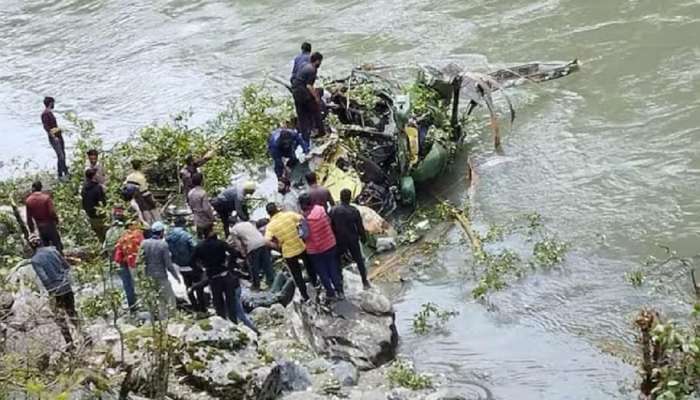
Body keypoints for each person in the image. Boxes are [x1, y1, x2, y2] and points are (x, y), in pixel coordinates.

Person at [191, 224, 257, 332]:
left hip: (213, 278)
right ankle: (234, 326)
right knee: (231, 302)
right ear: (210, 232)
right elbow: (234, 253)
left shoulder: (199, 247)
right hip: (225, 275)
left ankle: (222, 326)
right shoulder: (220, 243)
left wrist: (202, 268)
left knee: (218, 304)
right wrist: (229, 263)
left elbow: (191, 262)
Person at [28, 233, 79, 349]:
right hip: (66, 286)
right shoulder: (53, 250)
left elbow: (44, 278)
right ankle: (84, 336)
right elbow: (66, 266)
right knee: (72, 312)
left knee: (59, 317)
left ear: (31, 247)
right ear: (41, 241)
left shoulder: (35, 260)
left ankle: (70, 343)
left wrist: (51, 293)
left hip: (55, 291)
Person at [264, 203, 317, 302]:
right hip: (300, 245)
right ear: (277, 209)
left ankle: (305, 295)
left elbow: (266, 241)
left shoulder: (270, 226)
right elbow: (301, 218)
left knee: (297, 275)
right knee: (309, 266)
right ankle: (315, 284)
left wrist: (277, 246)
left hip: (288, 252)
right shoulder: (289, 214)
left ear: (269, 214)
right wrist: (301, 232)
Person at [299, 194, 343, 301]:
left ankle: (330, 292)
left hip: (315, 250)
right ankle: (339, 290)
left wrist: (299, 231)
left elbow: (305, 235)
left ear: (302, 205)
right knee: (333, 267)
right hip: (329, 243)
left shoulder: (304, 219)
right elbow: (328, 221)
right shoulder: (321, 209)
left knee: (322, 271)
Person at [330, 188, 370, 289]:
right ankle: (365, 282)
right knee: (359, 260)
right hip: (352, 238)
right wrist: (364, 238)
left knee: (337, 261)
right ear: (350, 198)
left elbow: (330, 225)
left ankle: (340, 283)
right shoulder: (354, 210)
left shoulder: (333, 210)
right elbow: (360, 227)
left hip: (339, 240)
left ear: (340, 197)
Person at [166, 216, 207, 313]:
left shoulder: (168, 237)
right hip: (192, 265)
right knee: (198, 286)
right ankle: (202, 308)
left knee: (187, 286)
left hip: (180, 266)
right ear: (183, 224)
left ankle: (194, 306)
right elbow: (194, 247)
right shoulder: (186, 235)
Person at [141, 221, 180, 318]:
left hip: (149, 276)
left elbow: (139, 260)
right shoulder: (163, 245)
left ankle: (160, 318)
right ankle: (173, 318)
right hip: (161, 276)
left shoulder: (144, 243)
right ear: (161, 232)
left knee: (157, 299)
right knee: (170, 298)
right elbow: (168, 265)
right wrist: (176, 277)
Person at [230, 219, 275, 291]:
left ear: (231, 225)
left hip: (252, 246)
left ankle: (256, 285)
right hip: (262, 241)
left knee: (254, 267)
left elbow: (238, 244)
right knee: (267, 264)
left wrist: (243, 253)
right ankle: (272, 282)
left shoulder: (233, 230)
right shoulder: (247, 223)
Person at [291, 52, 325, 143]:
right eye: (320, 61)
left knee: (302, 116)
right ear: (317, 61)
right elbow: (309, 86)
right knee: (316, 110)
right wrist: (316, 98)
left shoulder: (305, 65)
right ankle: (321, 131)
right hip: (303, 94)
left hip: (296, 93)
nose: (320, 64)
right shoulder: (312, 69)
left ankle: (304, 138)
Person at [113, 217, 144, 311]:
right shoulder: (138, 234)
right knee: (141, 284)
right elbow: (143, 247)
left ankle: (133, 306)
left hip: (126, 264)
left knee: (130, 286)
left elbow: (118, 253)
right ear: (131, 225)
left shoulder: (122, 237)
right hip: (139, 263)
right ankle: (146, 305)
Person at [25, 181, 64, 254]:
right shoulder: (46, 198)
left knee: (46, 247)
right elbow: (52, 212)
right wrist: (57, 220)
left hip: (40, 226)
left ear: (32, 188)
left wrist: (32, 230)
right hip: (50, 224)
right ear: (41, 188)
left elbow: (29, 218)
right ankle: (61, 261)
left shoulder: (28, 200)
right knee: (57, 245)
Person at [125, 159, 160, 225]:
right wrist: (153, 202)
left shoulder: (128, 177)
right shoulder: (141, 177)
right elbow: (144, 191)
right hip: (141, 200)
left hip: (131, 200)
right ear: (140, 167)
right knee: (152, 216)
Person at [41, 96, 69, 179]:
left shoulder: (49, 113)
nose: (54, 105)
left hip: (58, 135)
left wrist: (59, 130)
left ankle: (63, 173)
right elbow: (46, 127)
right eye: (53, 103)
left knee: (63, 154)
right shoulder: (45, 114)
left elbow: (53, 127)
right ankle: (62, 174)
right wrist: (54, 136)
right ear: (51, 103)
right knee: (61, 156)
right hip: (55, 137)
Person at [81, 168, 107, 242]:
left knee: (99, 237)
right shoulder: (97, 187)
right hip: (100, 216)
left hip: (91, 216)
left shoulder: (84, 188)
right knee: (105, 236)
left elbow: (83, 202)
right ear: (94, 176)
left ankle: (103, 251)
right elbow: (102, 202)